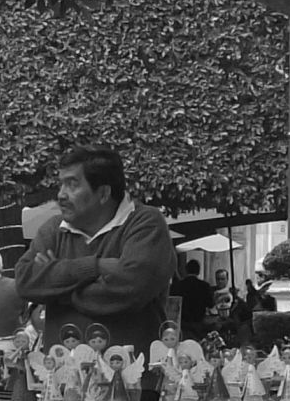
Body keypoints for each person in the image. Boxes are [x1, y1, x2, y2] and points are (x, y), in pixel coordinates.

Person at [15, 147, 178, 352]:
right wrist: (96, 267)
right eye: (61, 184)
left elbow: (130, 292)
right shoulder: (54, 229)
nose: (61, 195)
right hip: (61, 369)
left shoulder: (145, 223)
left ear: (103, 193)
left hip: (131, 368)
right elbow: (25, 282)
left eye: (72, 184)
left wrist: (57, 288)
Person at [175, 255, 216, 340]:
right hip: (199, 322)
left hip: (183, 323)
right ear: (198, 271)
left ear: (186, 270)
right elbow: (211, 304)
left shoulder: (178, 285)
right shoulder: (204, 286)